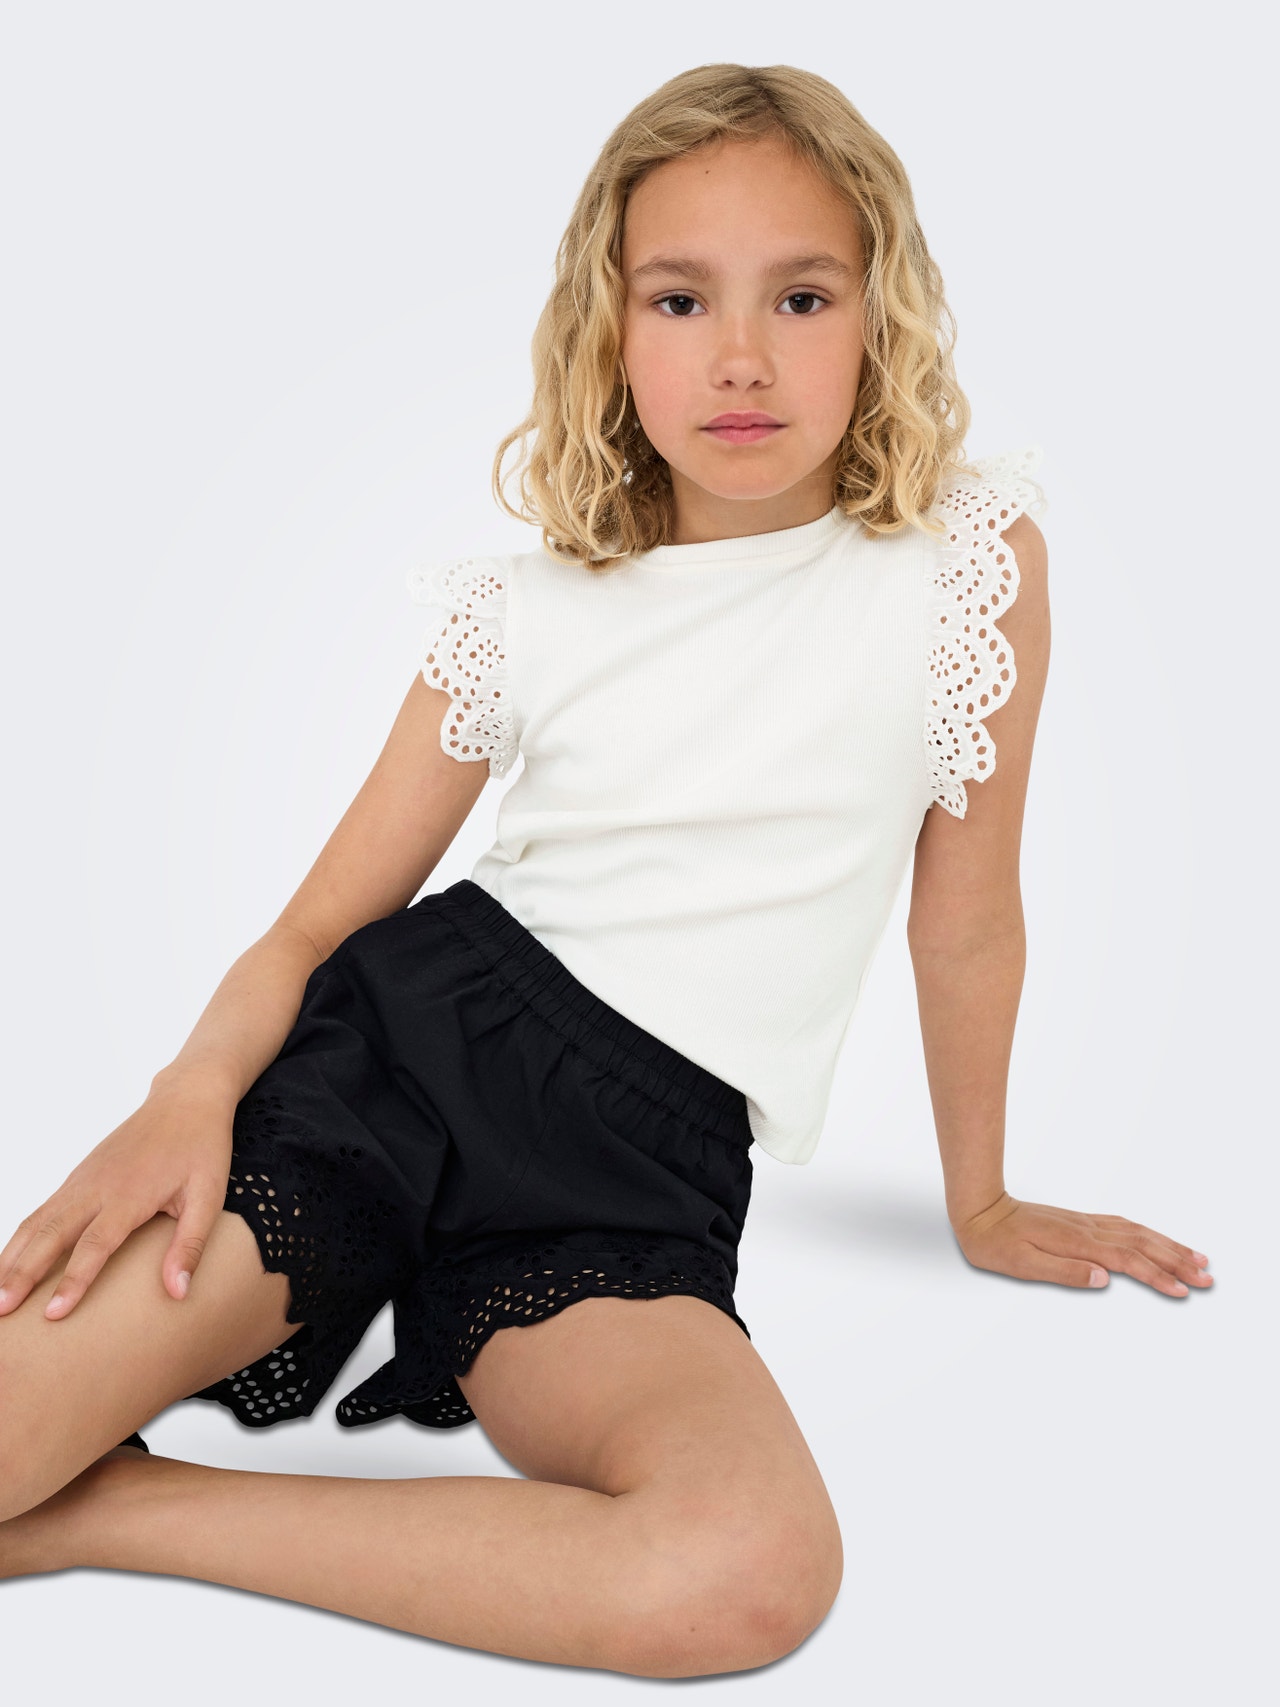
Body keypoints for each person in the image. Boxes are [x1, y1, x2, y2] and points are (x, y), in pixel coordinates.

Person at [0, 62, 1212, 1679]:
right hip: (411, 1066)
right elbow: (315, 927)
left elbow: (969, 917)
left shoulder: (965, 567)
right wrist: (188, 1096)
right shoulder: (525, 609)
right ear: (610, 330)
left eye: (800, 296)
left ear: (880, 315)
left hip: (642, 1174)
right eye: (679, 298)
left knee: (749, 1572)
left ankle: (117, 1512)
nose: (740, 355)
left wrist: (978, 1199)